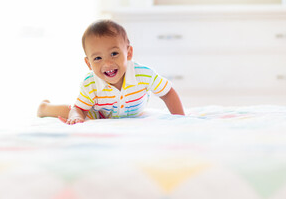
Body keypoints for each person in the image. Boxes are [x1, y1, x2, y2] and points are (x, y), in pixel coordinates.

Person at [37, 19, 184, 125]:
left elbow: (168, 93)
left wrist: (181, 119)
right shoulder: (91, 83)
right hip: (101, 112)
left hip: (134, 111)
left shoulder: (143, 74)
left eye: (114, 54)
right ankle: (45, 109)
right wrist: (76, 117)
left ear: (129, 53)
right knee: (72, 110)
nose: (107, 63)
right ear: (88, 63)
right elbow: (79, 108)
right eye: (98, 58)